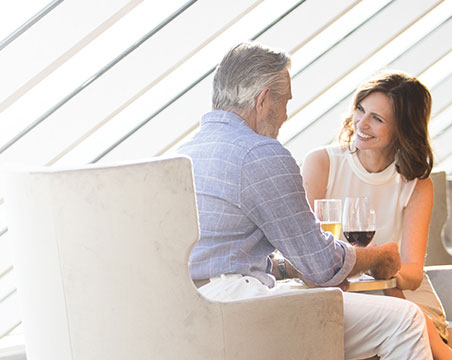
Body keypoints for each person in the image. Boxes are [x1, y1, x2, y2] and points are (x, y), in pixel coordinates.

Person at [176, 41, 432, 359]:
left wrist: (287, 269)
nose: (285, 114)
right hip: (238, 313)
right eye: (285, 102)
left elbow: (227, 255)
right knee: (404, 321)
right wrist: (378, 256)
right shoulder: (261, 153)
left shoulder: (184, 154)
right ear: (263, 100)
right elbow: (323, 266)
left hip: (185, 315)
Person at [301, 71, 451, 359]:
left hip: (401, 294)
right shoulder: (322, 163)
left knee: (407, 315)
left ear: (403, 130)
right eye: (360, 109)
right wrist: (369, 264)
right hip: (342, 293)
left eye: (377, 119)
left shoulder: (417, 185)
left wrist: (383, 274)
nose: (362, 123)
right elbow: (306, 253)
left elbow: (412, 273)